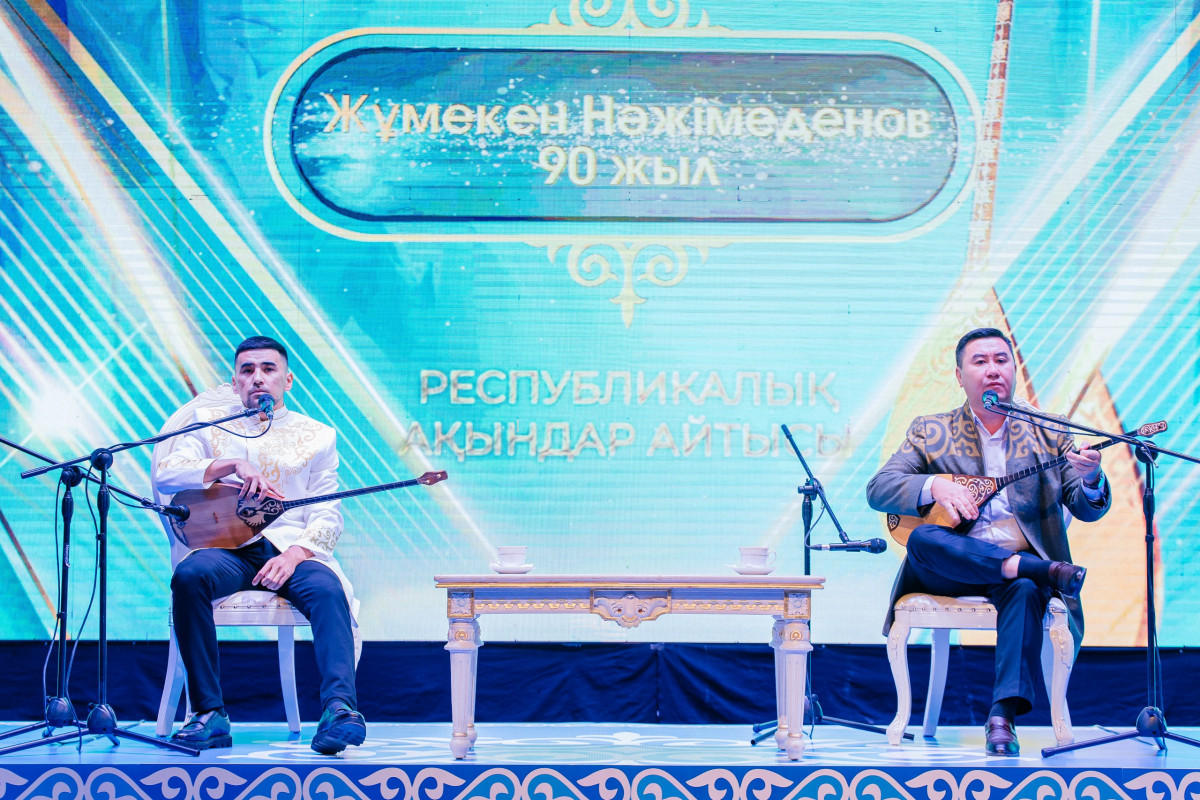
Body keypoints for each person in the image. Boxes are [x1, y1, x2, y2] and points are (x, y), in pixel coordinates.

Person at [866, 328, 1110, 756]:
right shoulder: (932, 430)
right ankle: (1038, 569)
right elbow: (879, 489)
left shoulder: (1049, 431)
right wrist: (936, 485)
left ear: (1014, 370)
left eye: (1001, 360)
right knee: (923, 538)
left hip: (1012, 575)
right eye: (980, 362)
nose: (993, 370)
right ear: (960, 376)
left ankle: (1002, 717)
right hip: (949, 568)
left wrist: (1091, 478)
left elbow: (1085, 506)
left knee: (1025, 587)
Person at [156, 335, 366, 754]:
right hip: (228, 550)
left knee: (328, 589)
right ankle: (209, 714)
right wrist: (232, 464)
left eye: (268, 369)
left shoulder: (318, 435)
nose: (257, 378)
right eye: (247, 370)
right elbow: (167, 474)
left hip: (292, 550)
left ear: (287, 381)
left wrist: (295, 555)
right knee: (189, 576)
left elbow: (327, 514)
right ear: (235, 381)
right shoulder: (208, 426)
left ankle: (339, 710)